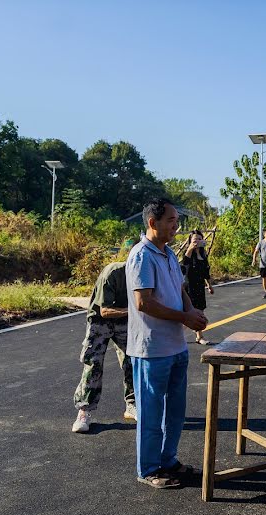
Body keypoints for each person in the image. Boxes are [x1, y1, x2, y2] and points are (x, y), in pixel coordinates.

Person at [127, 198, 208, 489]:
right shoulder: (141, 256)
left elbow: (181, 288)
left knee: (175, 411)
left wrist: (191, 311)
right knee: (151, 412)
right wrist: (185, 318)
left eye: (177, 220)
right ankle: (148, 469)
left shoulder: (169, 254)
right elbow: (143, 302)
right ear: (153, 223)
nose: (177, 226)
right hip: (151, 348)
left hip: (176, 346)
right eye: (171, 221)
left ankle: (168, 460)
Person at [71, 261, 136, 433]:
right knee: (94, 363)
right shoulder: (113, 273)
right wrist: (135, 310)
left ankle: (133, 404)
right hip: (101, 321)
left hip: (125, 321)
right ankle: (84, 411)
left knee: (133, 362)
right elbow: (105, 311)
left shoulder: (146, 272)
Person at [181, 230, 214, 345]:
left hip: (200, 287)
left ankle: (198, 336)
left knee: (199, 310)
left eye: (200, 239)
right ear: (190, 241)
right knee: (192, 313)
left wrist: (209, 285)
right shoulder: (188, 253)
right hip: (189, 287)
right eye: (195, 239)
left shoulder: (203, 255)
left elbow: (206, 272)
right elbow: (184, 264)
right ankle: (198, 337)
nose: (198, 241)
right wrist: (191, 247)